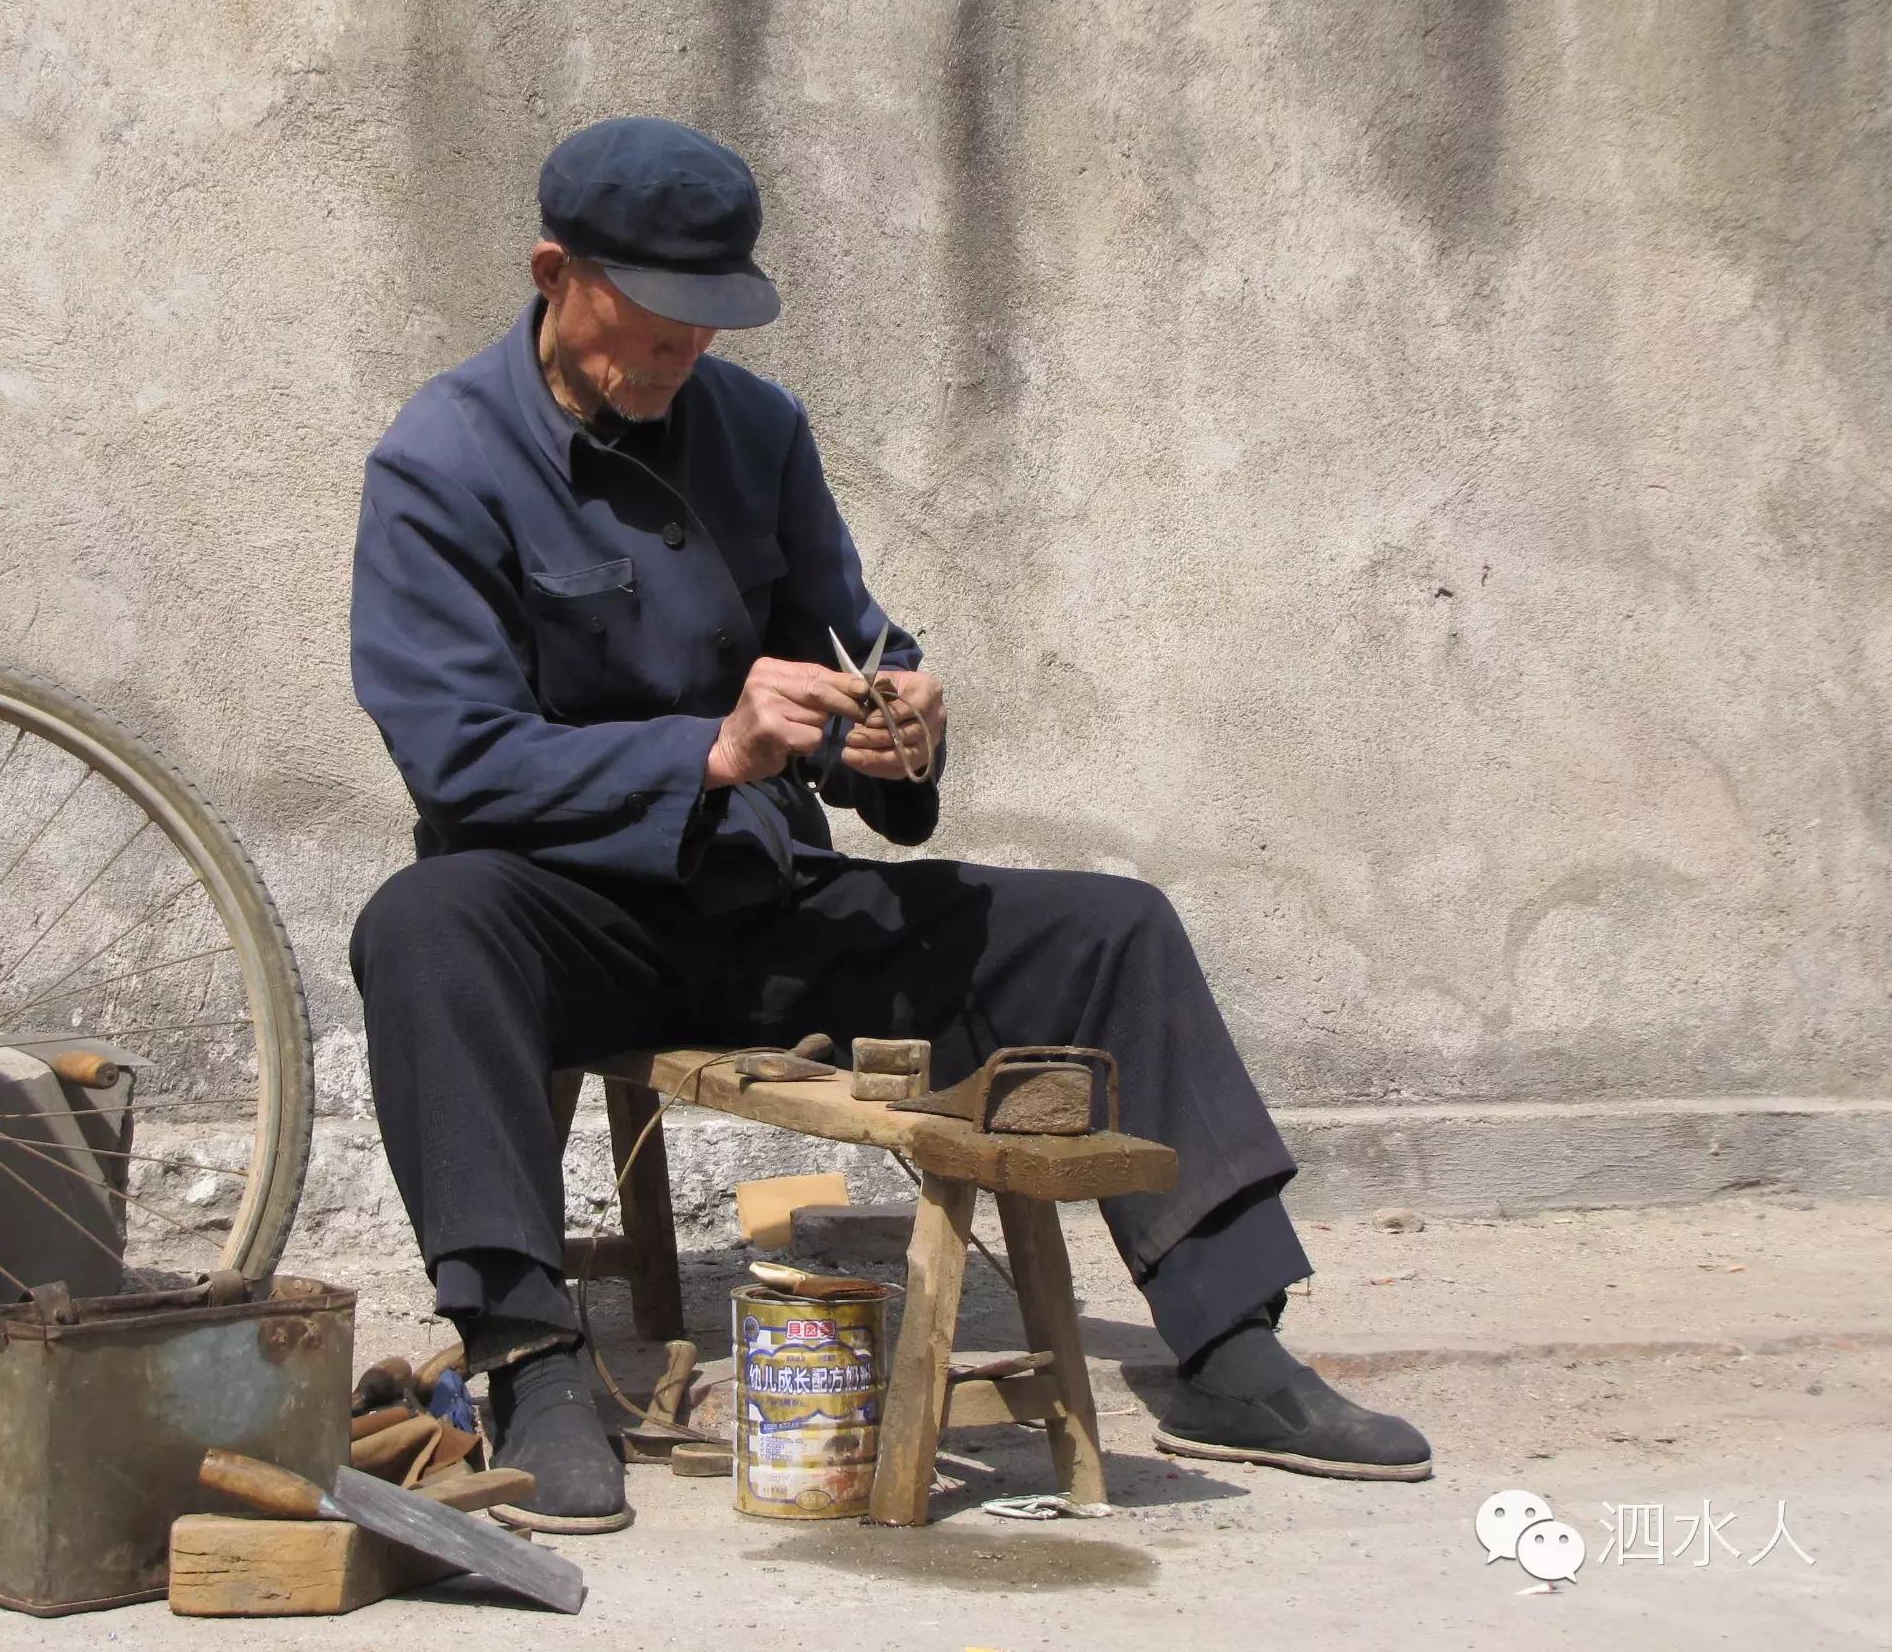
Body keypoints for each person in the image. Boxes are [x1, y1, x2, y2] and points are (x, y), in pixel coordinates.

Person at [349, 117, 1430, 1534]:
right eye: (660, 323)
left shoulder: (757, 434)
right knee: (420, 923)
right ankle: (528, 1361)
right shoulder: (440, 463)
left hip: (765, 906)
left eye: (710, 327)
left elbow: (848, 647)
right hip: (571, 924)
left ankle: (1230, 1343)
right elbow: (459, 759)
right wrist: (712, 749)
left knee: (1113, 929)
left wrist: (898, 736)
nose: (686, 356)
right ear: (558, 273)